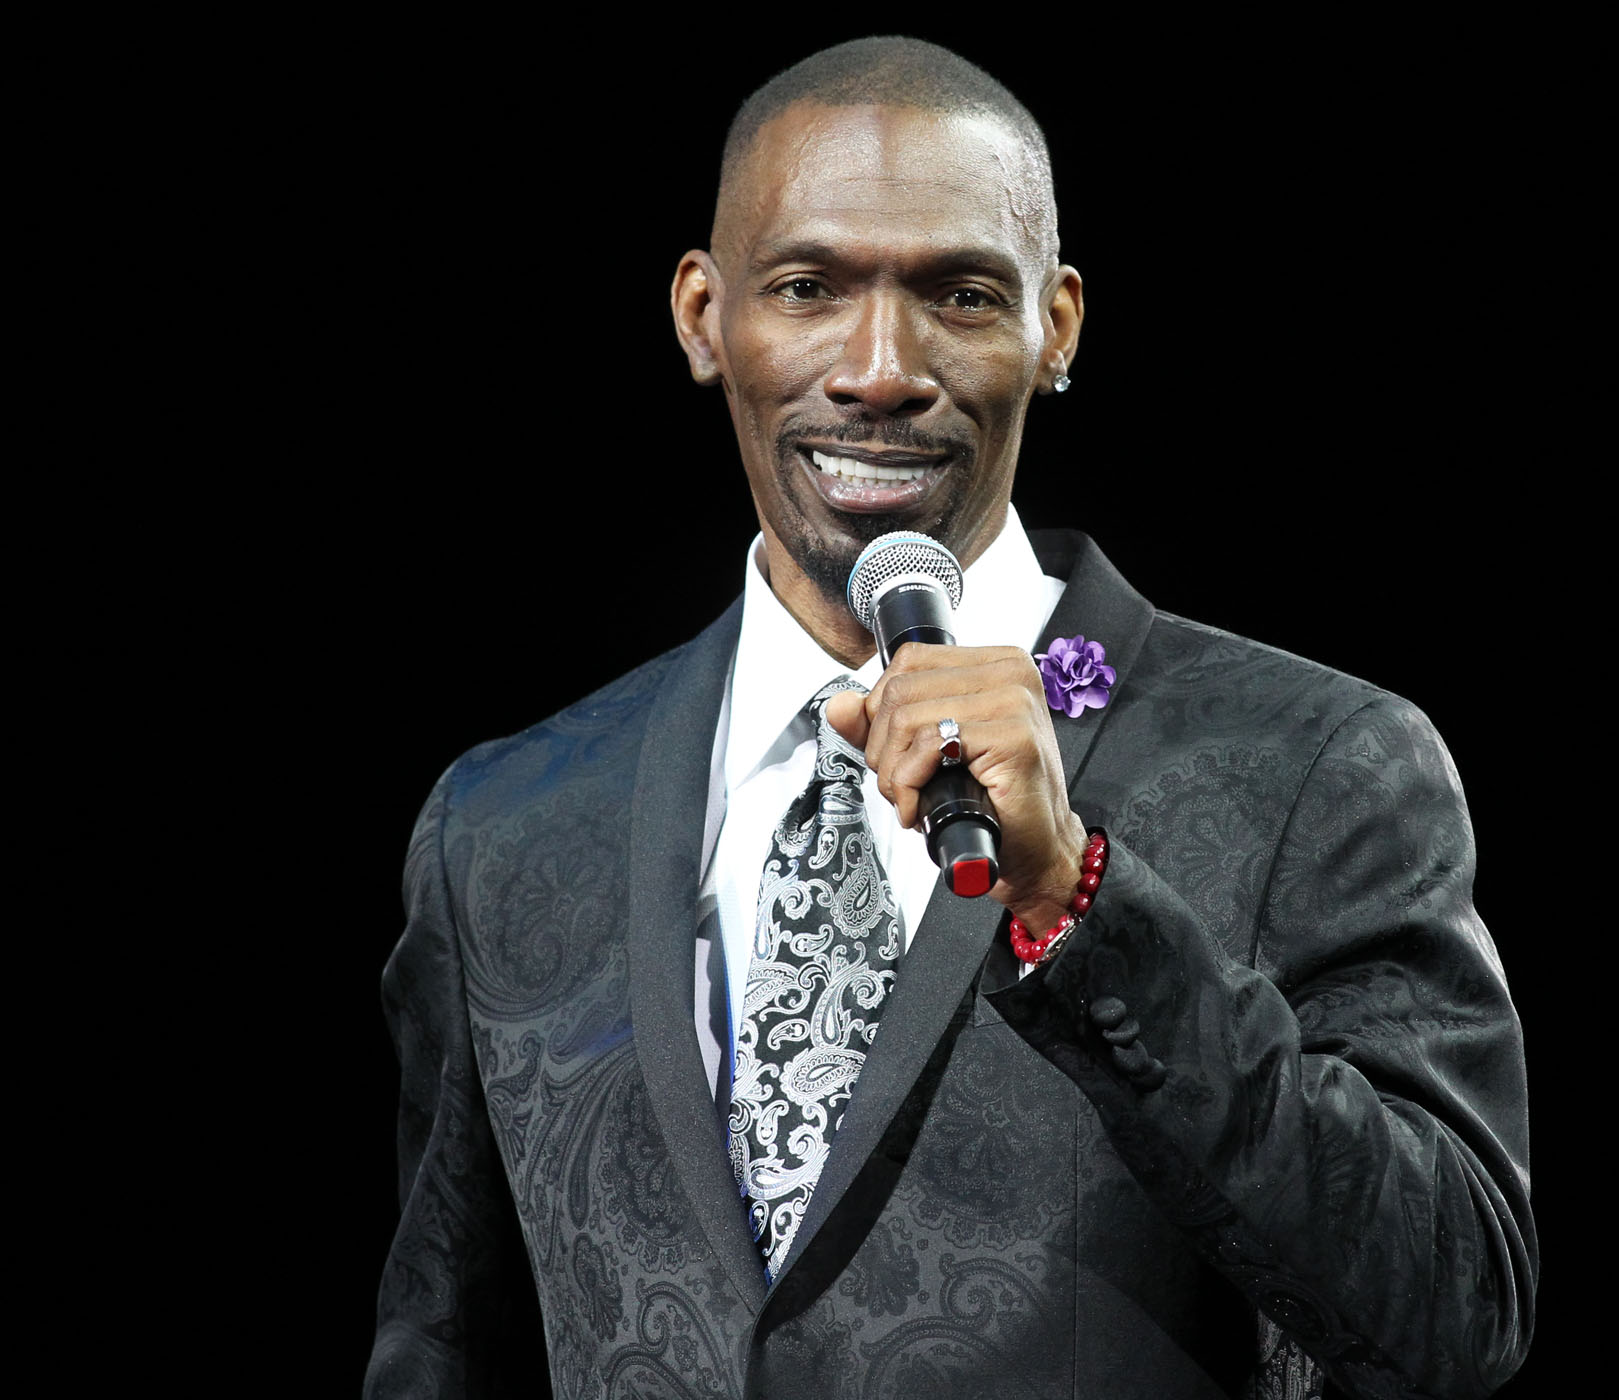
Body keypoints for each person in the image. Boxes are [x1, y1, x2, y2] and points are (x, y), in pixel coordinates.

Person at [366, 37, 1535, 1400]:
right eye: (807, 288)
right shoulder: (503, 826)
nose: (880, 370)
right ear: (702, 317)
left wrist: (1076, 900)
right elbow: (442, 1347)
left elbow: (1457, 1310)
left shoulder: (1316, 765)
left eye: (961, 296)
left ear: (1056, 327)